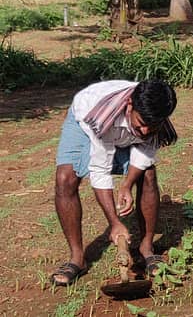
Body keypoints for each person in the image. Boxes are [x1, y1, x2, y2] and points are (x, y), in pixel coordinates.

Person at [50, 80, 177, 286]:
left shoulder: (155, 114)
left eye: (151, 126)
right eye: (141, 123)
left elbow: (144, 155)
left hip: (120, 124)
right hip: (85, 120)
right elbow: (100, 168)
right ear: (129, 105)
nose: (145, 131)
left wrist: (126, 184)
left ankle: (146, 249)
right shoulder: (99, 115)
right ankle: (77, 258)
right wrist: (115, 223)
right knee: (65, 178)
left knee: (148, 175)